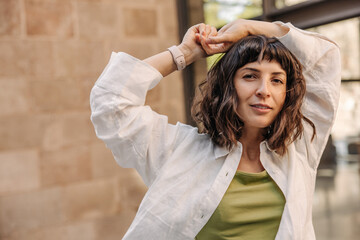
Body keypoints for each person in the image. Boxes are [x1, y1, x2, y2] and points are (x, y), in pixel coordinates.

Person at [90, 19, 341, 240]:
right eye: (250, 76)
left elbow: (326, 57)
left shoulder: (299, 148)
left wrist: (250, 27)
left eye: (276, 80)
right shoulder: (179, 150)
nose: (264, 90)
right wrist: (185, 52)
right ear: (228, 87)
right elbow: (111, 102)